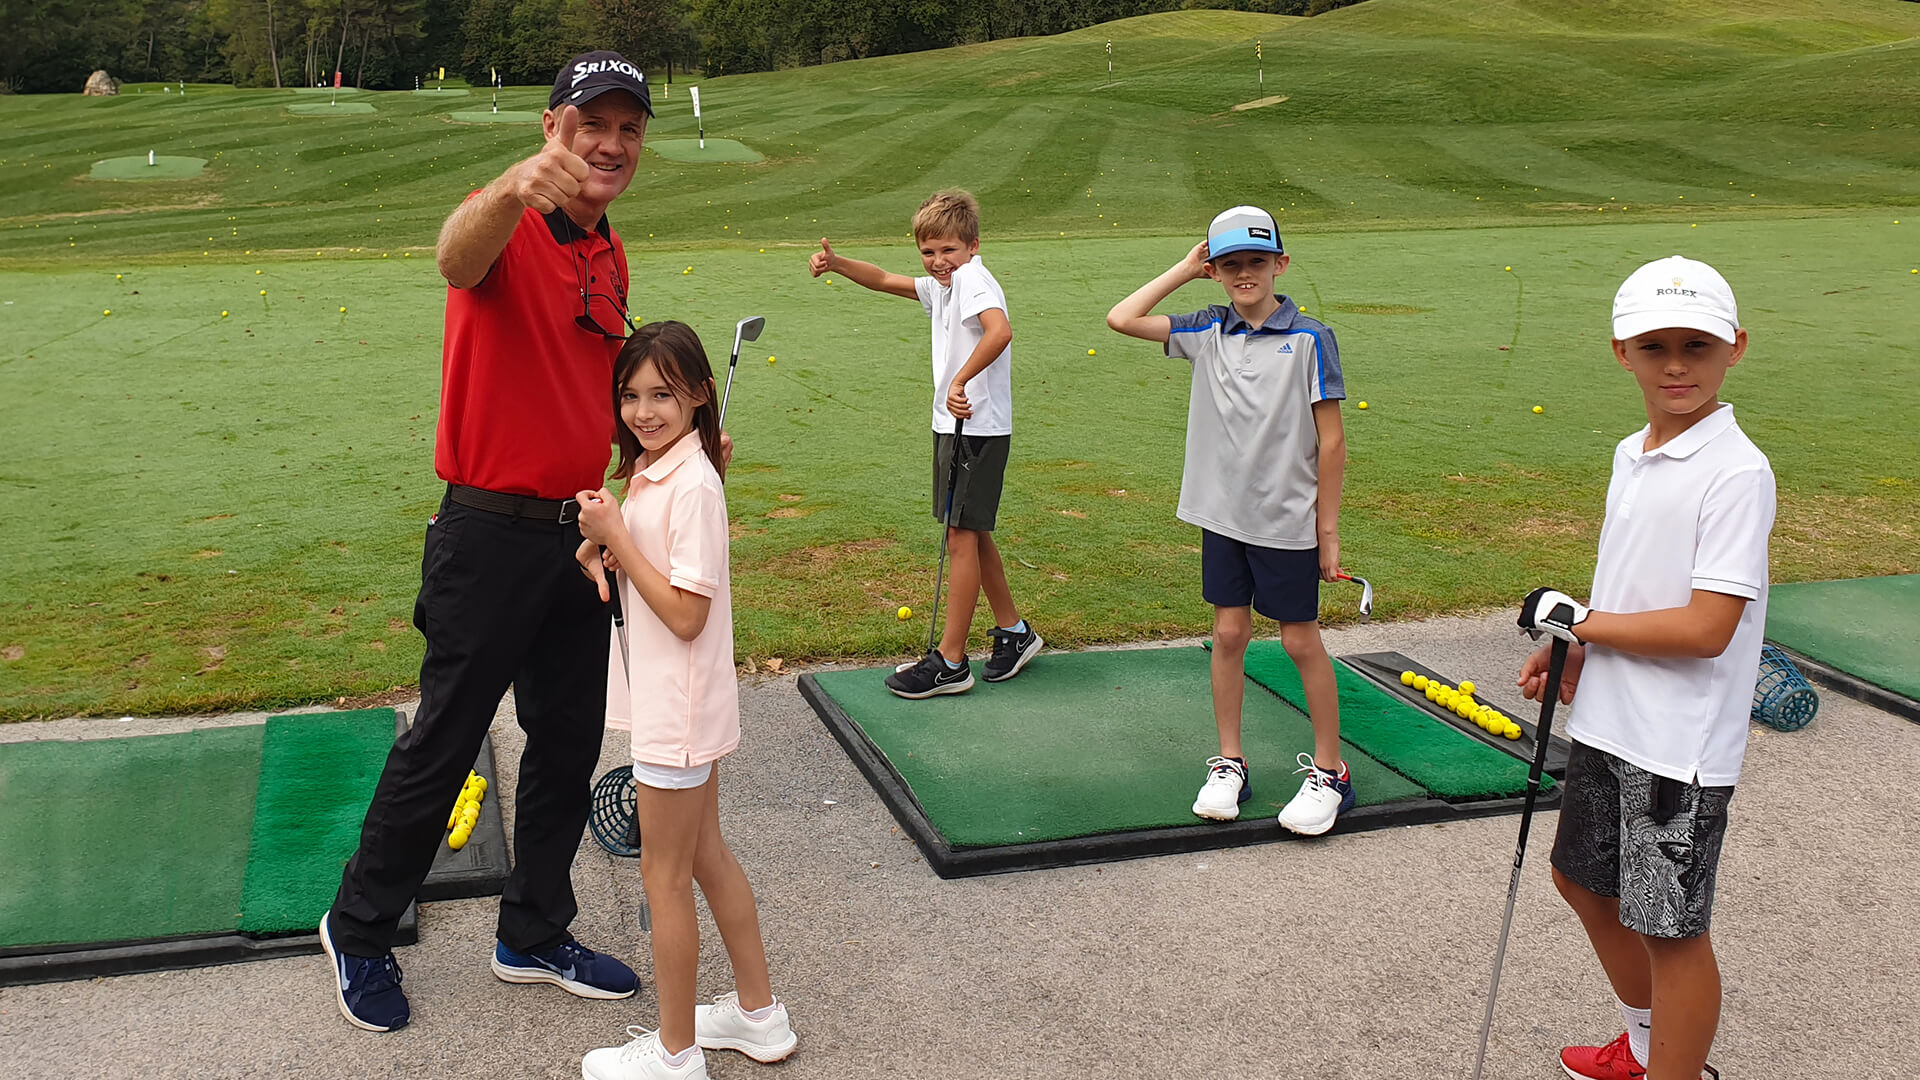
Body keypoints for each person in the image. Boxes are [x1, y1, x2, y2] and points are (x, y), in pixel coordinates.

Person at [318, 51, 658, 1033]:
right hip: (486, 533)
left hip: (577, 537)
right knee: (447, 740)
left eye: (628, 128)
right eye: (592, 123)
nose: (610, 143)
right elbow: (453, 259)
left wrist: (663, 449)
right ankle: (359, 927)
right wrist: (510, 187)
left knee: (566, 742)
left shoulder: (610, 251)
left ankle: (534, 930)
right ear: (552, 127)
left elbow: (595, 392)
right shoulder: (503, 219)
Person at [1515, 256, 1771, 1080]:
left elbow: (1707, 628)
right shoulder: (1634, 452)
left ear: (1734, 348)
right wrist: (1581, 644)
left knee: (1670, 930)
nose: (1675, 366)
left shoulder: (1737, 471)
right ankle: (1648, 1046)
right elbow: (1638, 585)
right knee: (1583, 884)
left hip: (1676, 746)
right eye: (1654, 346)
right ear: (1621, 351)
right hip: (1612, 719)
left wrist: (1579, 620)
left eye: (1697, 346)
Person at [572, 322, 796, 1080]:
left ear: (699, 394)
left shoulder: (693, 484)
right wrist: (603, 544)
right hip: (683, 705)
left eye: (663, 395)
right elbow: (652, 559)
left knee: (663, 878)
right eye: (631, 395)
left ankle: (674, 1055)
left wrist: (615, 533)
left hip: (679, 710)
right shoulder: (660, 470)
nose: (644, 411)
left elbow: (686, 614)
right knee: (704, 855)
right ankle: (759, 1015)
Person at [1105, 206, 1353, 835]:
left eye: (1257, 262)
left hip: (1288, 519)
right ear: (1215, 269)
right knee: (1229, 633)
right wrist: (1186, 268)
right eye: (1231, 263)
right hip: (1222, 516)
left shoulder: (1311, 338)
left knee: (1299, 640)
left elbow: (1331, 443)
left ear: (1280, 265)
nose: (1245, 273)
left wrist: (1327, 532)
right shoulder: (1206, 328)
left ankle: (1332, 772)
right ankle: (1230, 762)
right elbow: (1121, 318)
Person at [806, 189, 1043, 698]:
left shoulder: (973, 278)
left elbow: (1000, 332)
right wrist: (839, 264)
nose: (938, 261)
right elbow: (885, 279)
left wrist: (960, 380)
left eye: (948, 250)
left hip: (976, 428)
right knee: (971, 531)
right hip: (956, 425)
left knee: (960, 536)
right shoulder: (945, 285)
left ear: (973, 246)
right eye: (928, 252)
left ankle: (951, 662)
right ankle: (1014, 631)